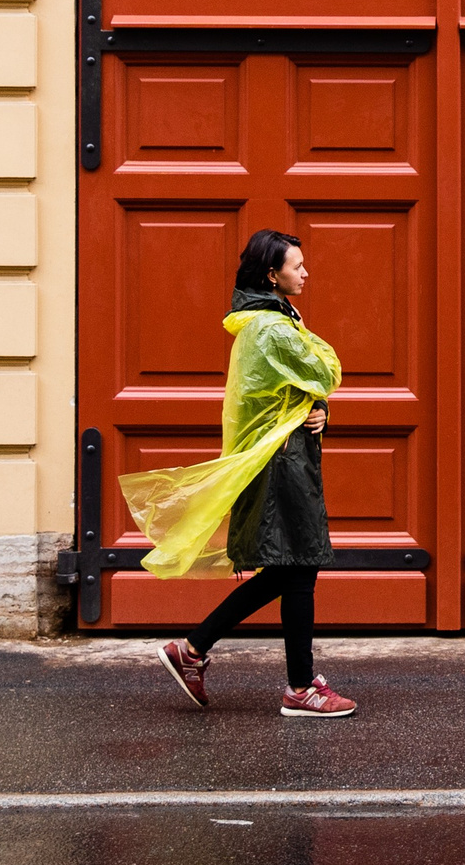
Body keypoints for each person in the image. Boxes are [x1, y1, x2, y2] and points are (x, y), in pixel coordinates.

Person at [123, 228, 358, 718]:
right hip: (281, 464)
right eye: (297, 266)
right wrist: (321, 398)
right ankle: (297, 688)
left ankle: (194, 649)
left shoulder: (273, 320)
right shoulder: (271, 329)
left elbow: (293, 394)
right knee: (299, 565)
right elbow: (326, 371)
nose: (306, 273)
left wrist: (320, 413)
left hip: (284, 455)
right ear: (273, 275)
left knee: (291, 569)